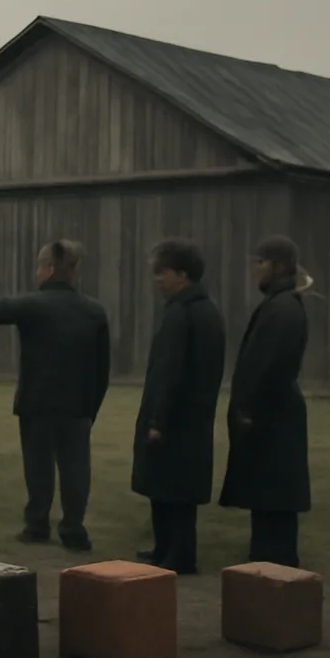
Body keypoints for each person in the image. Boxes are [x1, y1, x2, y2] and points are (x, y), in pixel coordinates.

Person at [0, 239, 110, 551]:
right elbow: (102, 369)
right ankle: (73, 530)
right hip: (77, 406)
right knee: (76, 469)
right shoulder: (93, 312)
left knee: (38, 468)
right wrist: (92, 408)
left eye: (38, 268)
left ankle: (37, 525)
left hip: (38, 402)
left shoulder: (33, 305)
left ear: (47, 270)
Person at [131, 238, 226, 574]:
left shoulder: (181, 314)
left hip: (174, 417)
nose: (157, 279)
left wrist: (158, 418)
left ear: (183, 275)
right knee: (170, 486)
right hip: (194, 418)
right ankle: (164, 547)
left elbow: (169, 371)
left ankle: (179, 555)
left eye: (163, 272)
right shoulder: (207, 311)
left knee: (172, 489)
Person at [218, 236, 311, 567]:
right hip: (271, 416)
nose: (255, 269)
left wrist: (252, 411)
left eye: (260, 263)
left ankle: (277, 557)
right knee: (266, 492)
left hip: (274, 418)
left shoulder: (284, 308)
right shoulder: (278, 304)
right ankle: (266, 552)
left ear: (279, 266)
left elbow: (274, 364)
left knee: (276, 492)